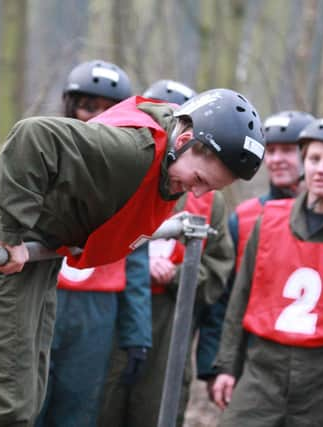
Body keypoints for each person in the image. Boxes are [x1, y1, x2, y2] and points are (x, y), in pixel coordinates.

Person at [0, 87, 266, 426]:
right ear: (185, 140)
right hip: (7, 256)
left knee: (23, 397)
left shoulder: (169, 167)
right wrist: (11, 232)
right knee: (5, 407)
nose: (197, 193)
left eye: (211, 189)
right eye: (199, 179)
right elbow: (33, 136)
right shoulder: (132, 150)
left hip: (38, 260)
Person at [212, 117, 323, 427]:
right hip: (262, 371)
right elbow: (241, 296)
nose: (321, 169)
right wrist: (227, 365)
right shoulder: (268, 221)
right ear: (303, 164)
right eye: (314, 159)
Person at [98, 79, 234, 427]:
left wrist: (179, 274)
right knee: (99, 406)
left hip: (170, 323)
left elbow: (218, 272)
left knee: (158, 410)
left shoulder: (207, 198)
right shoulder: (125, 173)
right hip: (109, 312)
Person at [36, 60, 152, 427]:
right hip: (43, 295)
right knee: (29, 402)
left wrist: (137, 334)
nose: (97, 120)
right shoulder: (40, 158)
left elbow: (136, 258)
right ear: (71, 108)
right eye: (89, 108)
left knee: (79, 408)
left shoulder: (133, 175)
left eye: (108, 111)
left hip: (97, 309)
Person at [200, 110, 315, 397]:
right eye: (271, 151)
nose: (276, 160)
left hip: (313, 361)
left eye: (288, 150)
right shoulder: (246, 217)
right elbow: (223, 298)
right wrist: (214, 365)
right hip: (250, 356)